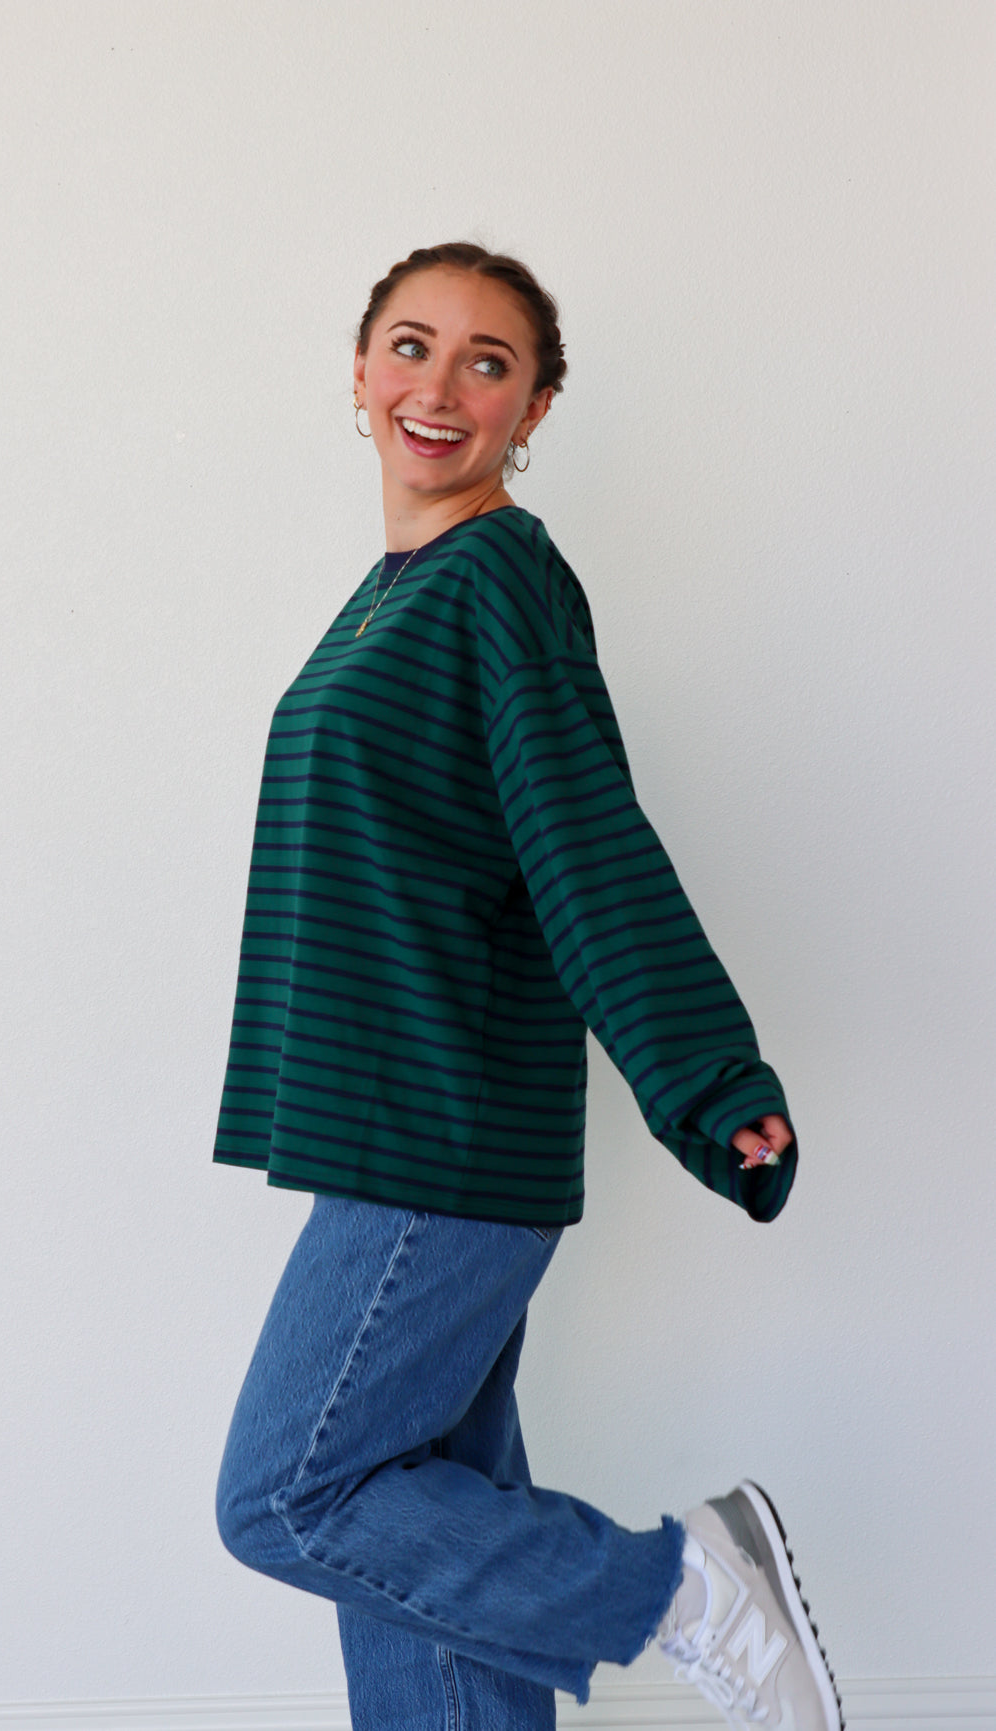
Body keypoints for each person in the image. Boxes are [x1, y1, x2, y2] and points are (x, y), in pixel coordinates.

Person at [213, 242, 841, 1731]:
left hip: (433, 1136)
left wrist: (707, 1079)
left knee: (291, 1500)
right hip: (390, 1127)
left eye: (486, 362)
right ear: (359, 373)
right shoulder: (392, 593)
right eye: (410, 346)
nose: (440, 386)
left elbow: (582, 836)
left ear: (534, 405)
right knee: (418, 1544)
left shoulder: (500, 577)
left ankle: (680, 1587)